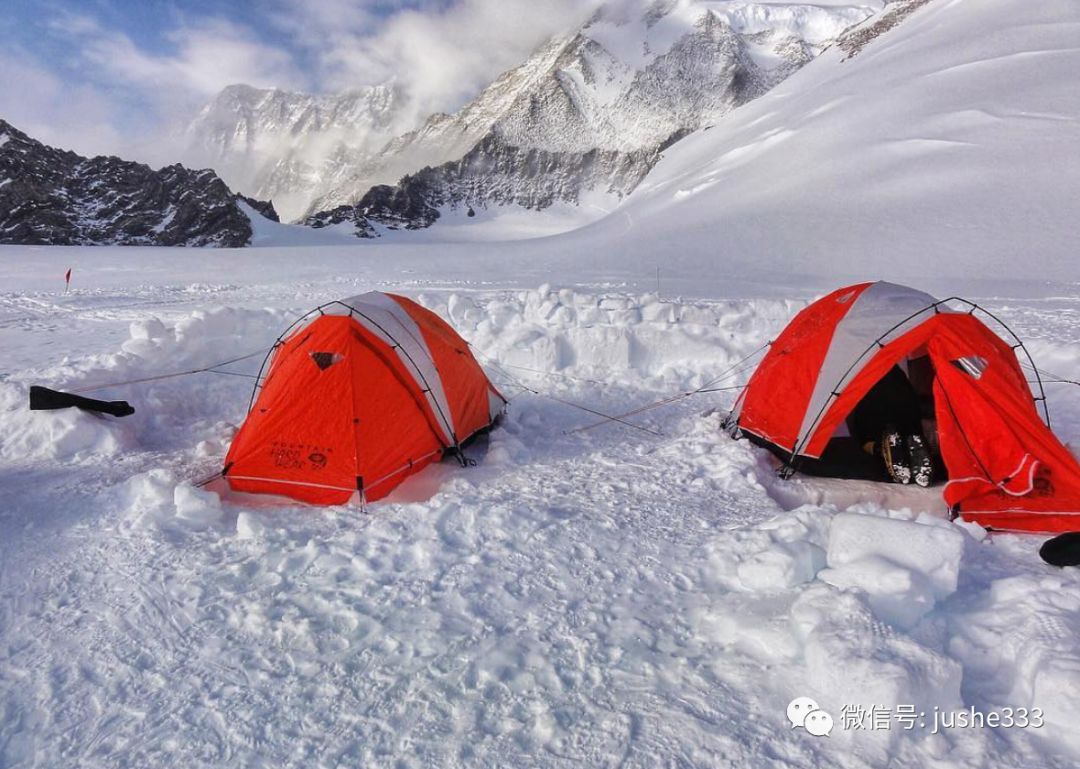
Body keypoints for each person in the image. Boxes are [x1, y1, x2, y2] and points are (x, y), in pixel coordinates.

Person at [848, 364, 935, 486]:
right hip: (903, 411)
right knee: (907, 426)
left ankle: (882, 448)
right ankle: (911, 442)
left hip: (871, 416)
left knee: (865, 436)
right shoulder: (890, 365)